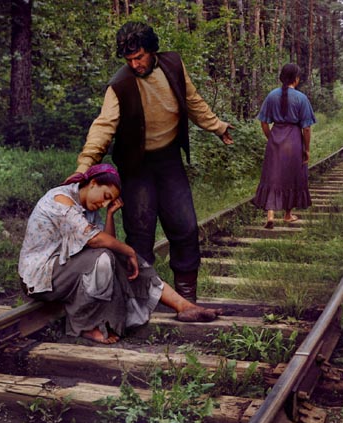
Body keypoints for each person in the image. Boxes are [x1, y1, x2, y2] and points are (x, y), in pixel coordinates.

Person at [68, 21, 233, 304]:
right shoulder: (119, 85)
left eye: (139, 57)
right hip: (136, 165)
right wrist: (84, 165)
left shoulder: (173, 65)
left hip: (169, 158)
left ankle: (186, 297)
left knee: (185, 225)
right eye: (128, 59)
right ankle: (140, 299)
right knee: (141, 231)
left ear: (152, 50)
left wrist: (217, 126)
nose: (134, 64)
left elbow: (192, 102)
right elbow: (103, 127)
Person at [19, 164, 222, 344]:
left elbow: (107, 242)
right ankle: (86, 325)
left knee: (114, 256)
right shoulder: (61, 200)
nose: (105, 203)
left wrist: (109, 215)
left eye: (110, 202)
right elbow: (95, 240)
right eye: (106, 197)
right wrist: (129, 250)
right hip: (39, 278)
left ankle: (183, 306)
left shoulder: (87, 208)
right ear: (93, 183)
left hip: (63, 272)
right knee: (104, 258)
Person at [252, 63, 315, 229]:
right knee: (293, 175)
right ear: (296, 79)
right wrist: (306, 149)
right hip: (294, 139)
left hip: (276, 137)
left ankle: (270, 214)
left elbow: (264, 122)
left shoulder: (272, 96)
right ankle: (287, 215)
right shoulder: (301, 98)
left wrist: (270, 138)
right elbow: (306, 128)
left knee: (272, 175)